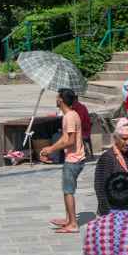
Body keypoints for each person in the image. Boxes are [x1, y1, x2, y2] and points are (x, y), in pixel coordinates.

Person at [41, 88, 86, 234]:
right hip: (73, 158)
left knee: (68, 191)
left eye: (57, 97)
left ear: (61, 100)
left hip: (74, 159)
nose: (55, 99)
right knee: (67, 190)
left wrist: (51, 149)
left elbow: (70, 140)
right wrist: (52, 147)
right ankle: (69, 219)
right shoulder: (70, 115)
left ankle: (73, 224)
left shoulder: (70, 117)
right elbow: (65, 137)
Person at [94, 120, 128, 217]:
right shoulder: (108, 158)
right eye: (124, 139)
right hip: (114, 212)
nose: (127, 143)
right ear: (116, 138)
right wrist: (108, 214)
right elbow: (100, 188)